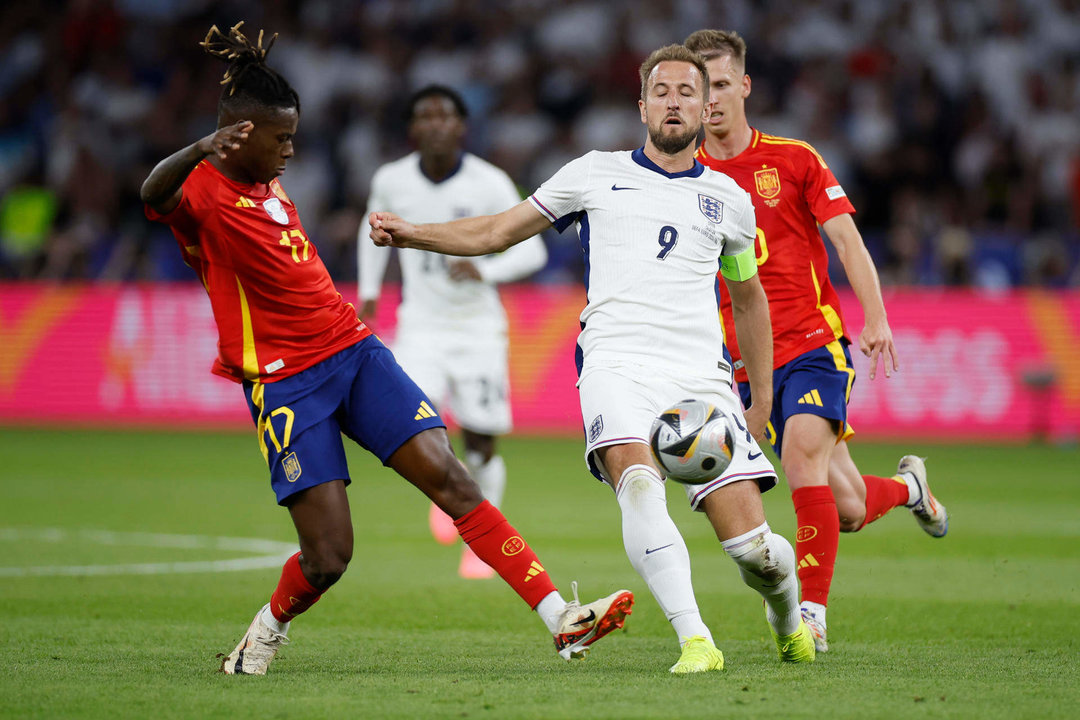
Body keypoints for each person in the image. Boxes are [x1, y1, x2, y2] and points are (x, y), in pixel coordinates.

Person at [140, 22, 632, 676]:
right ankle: (265, 631)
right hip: (287, 383)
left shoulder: (266, 179)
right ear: (240, 135)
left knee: (454, 479)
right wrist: (200, 146)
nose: (291, 150)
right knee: (329, 557)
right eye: (281, 138)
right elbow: (151, 193)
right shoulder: (202, 191)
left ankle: (560, 618)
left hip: (354, 352)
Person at [370, 44, 816, 673]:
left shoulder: (729, 201)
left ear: (707, 105)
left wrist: (762, 397)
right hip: (614, 363)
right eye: (661, 91)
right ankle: (697, 640)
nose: (674, 102)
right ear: (641, 106)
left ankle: (787, 617)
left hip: (700, 381)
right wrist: (413, 232)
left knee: (753, 552)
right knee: (637, 486)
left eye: (688, 92)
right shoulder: (592, 173)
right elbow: (498, 231)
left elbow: (748, 302)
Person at [684, 29, 949, 653]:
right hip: (747, 361)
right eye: (701, 88)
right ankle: (911, 488)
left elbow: (848, 242)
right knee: (849, 507)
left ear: (744, 86)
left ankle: (812, 615)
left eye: (722, 84)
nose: (712, 99)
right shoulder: (684, 173)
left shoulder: (793, 158)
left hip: (811, 342)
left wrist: (875, 318)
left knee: (803, 457)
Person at [358, 85, 548, 579]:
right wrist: (371, 289)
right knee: (417, 424)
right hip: (420, 326)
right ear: (413, 128)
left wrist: (486, 270)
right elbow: (371, 226)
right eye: (426, 116)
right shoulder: (391, 178)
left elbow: (533, 250)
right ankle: (450, 498)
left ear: (462, 127)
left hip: (478, 330)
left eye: (446, 116)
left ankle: (481, 544)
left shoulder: (490, 182)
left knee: (482, 441)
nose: (437, 123)